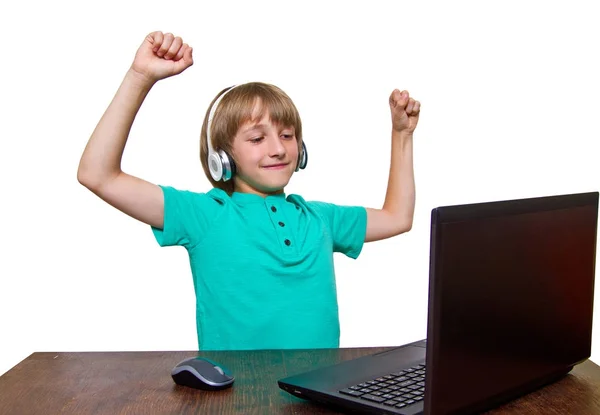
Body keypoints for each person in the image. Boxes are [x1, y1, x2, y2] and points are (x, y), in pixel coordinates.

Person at [77, 31, 420, 351]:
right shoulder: (205, 215)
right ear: (222, 158)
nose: (278, 149)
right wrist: (140, 77)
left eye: (287, 135)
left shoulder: (321, 218)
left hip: (316, 397)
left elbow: (397, 217)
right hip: (236, 399)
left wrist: (402, 134)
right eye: (257, 139)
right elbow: (98, 175)